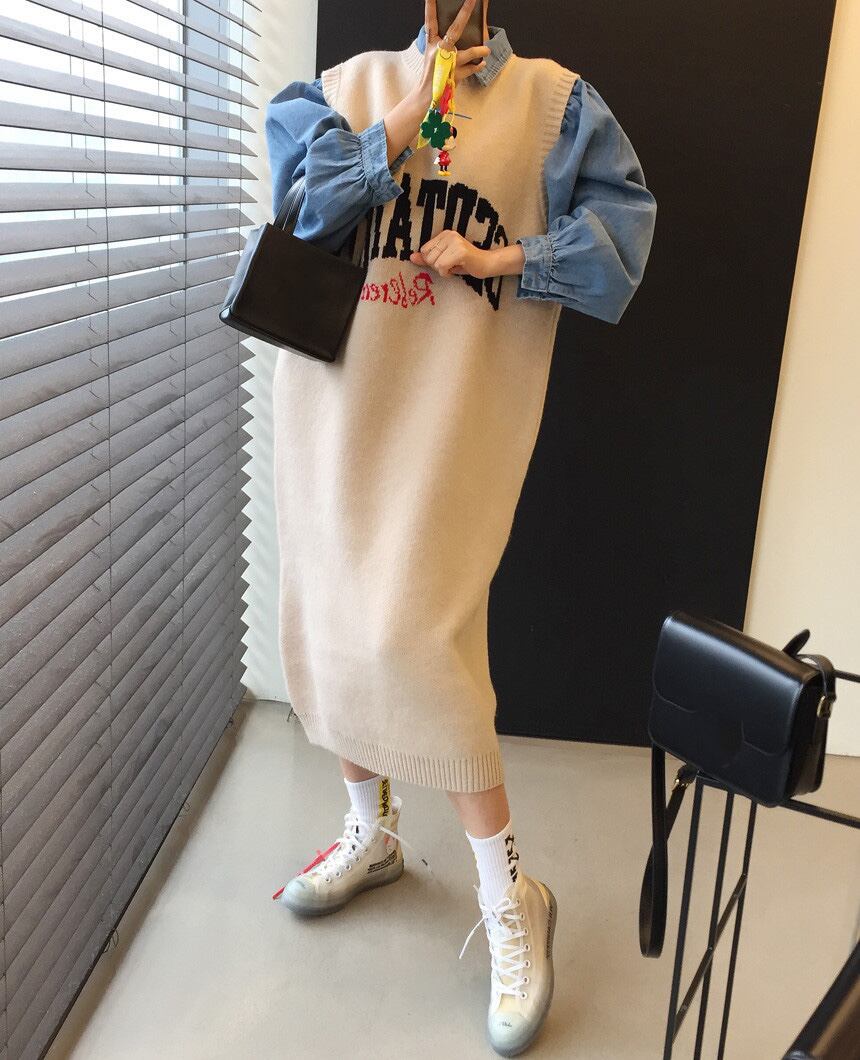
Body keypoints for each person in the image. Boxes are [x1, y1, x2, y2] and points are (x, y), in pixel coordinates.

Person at [266, 1, 656, 1054]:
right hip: (332, 410)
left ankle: (510, 894)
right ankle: (370, 832)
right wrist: (411, 109)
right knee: (335, 626)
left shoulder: (553, 107)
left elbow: (621, 245)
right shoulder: (341, 90)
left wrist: (502, 260)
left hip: (451, 420)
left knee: (417, 642)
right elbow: (303, 207)